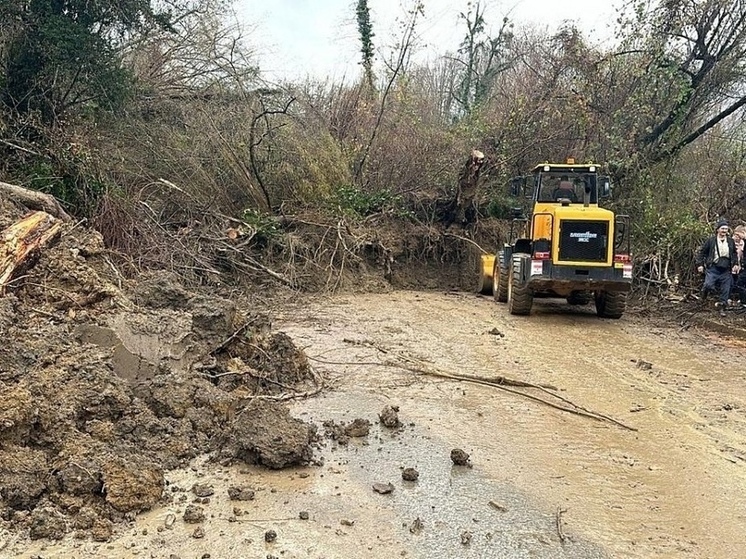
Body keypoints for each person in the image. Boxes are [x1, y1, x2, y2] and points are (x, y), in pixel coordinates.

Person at [696, 219, 741, 316]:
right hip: (713, 268)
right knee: (708, 285)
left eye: (726, 229)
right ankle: (703, 295)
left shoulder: (730, 241)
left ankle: (722, 308)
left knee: (726, 289)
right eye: (722, 228)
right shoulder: (711, 241)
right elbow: (702, 252)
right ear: (718, 230)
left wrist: (736, 264)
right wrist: (700, 264)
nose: (724, 231)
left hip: (725, 269)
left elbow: (734, 254)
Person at [731, 225, 746, 304]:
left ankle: (743, 301)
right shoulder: (731, 242)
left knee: (740, 283)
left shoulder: (744, 243)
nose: (737, 237)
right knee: (736, 283)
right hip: (737, 266)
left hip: (743, 266)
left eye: (738, 235)